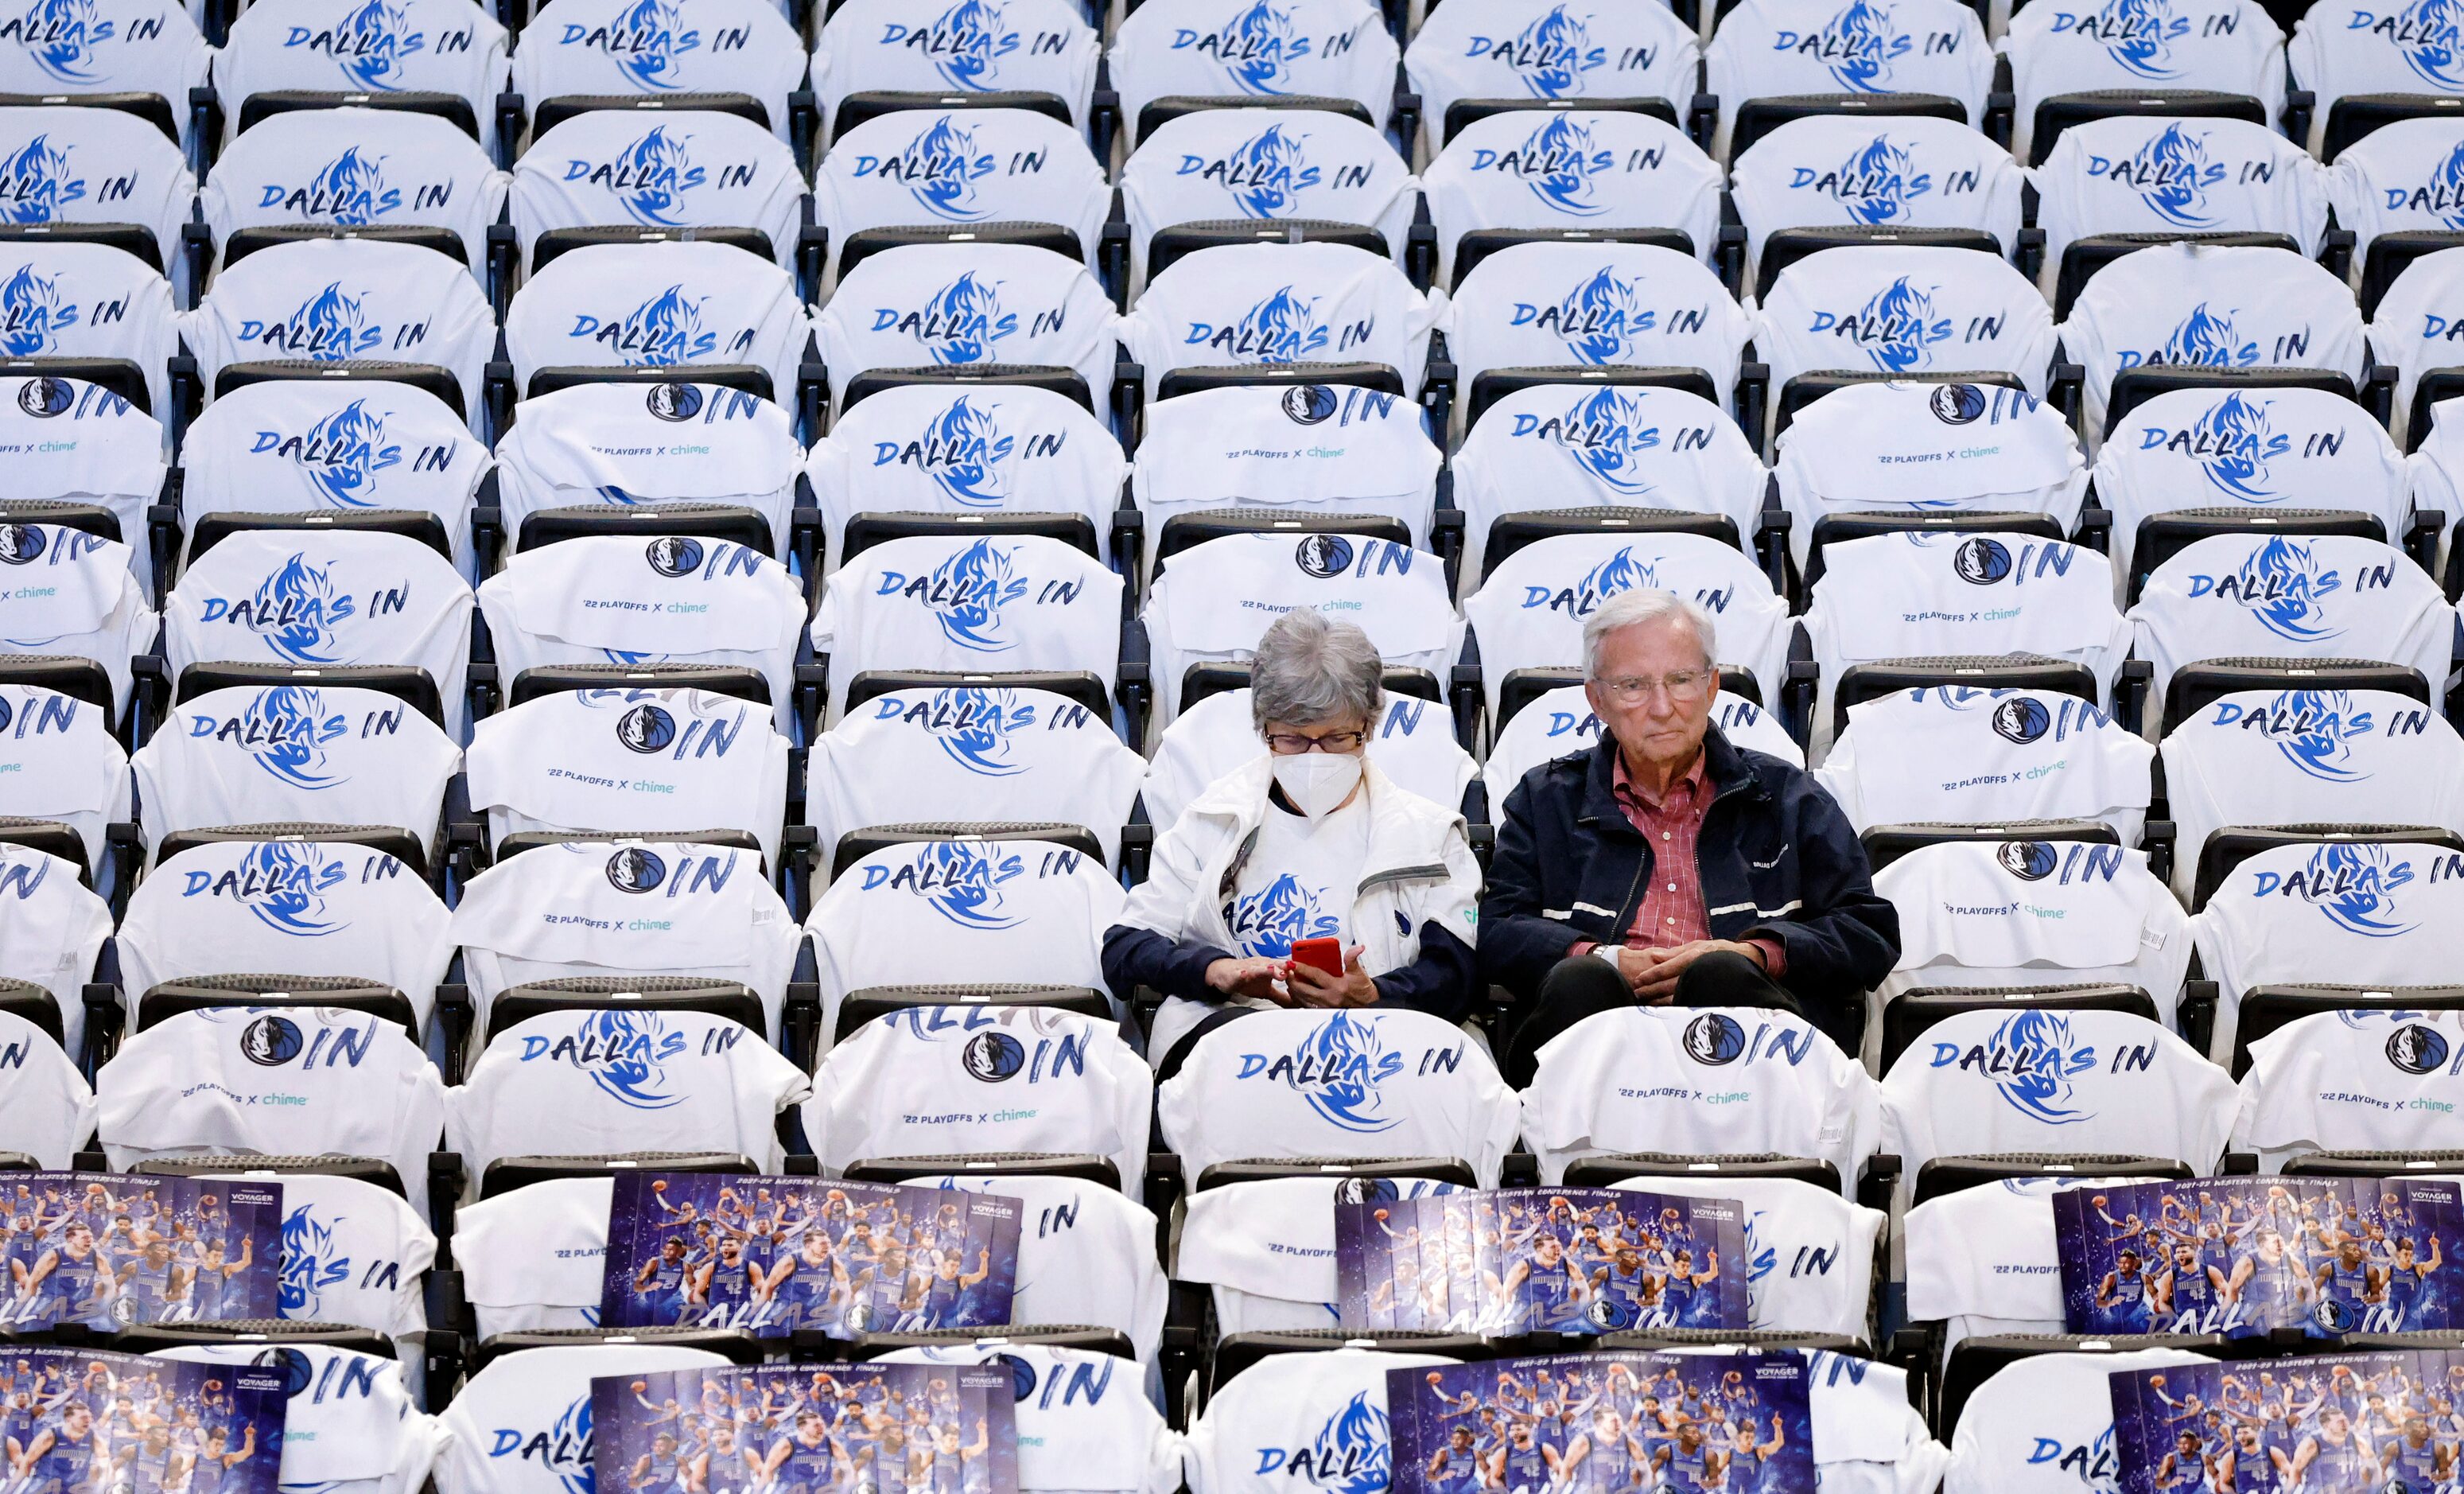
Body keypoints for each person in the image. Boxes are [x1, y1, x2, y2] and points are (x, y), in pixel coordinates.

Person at [1479, 590, 1898, 1082]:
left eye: (1681, 680)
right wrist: (1603, 958)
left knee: (1720, 973)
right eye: (1633, 686)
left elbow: (1869, 932)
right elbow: (1498, 931)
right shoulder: (1543, 800)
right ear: (1597, 700)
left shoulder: (1787, 796)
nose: (1662, 707)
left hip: (1752, 1065)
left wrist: (1756, 954)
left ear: (1712, 687)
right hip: (1595, 1057)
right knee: (1583, 980)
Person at [1105, 608, 1483, 1071]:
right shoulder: (1212, 823)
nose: (1315, 756)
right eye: (1292, 740)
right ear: (1263, 730)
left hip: (1384, 1044)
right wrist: (1214, 971)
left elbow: (1459, 972)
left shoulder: (1428, 834)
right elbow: (1126, 948)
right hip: (1236, 1041)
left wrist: (1375, 995)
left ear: (1370, 727)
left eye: (1339, 737)